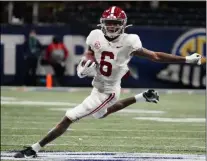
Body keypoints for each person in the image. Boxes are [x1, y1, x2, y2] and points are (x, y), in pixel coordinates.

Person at [14, 6, 201, 158]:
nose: (111, 27)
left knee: (70, 117)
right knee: (100, 114)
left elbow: (156, 56)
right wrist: (86, 62)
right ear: (102, 23)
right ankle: (142, 97)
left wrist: (186, 60)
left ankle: (34, 149)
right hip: (99, 84)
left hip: (108, 90)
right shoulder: (95, 35)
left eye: (115, 23)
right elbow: (90, 51)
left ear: (123, 25)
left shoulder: (130, 41)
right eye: (109, 23)